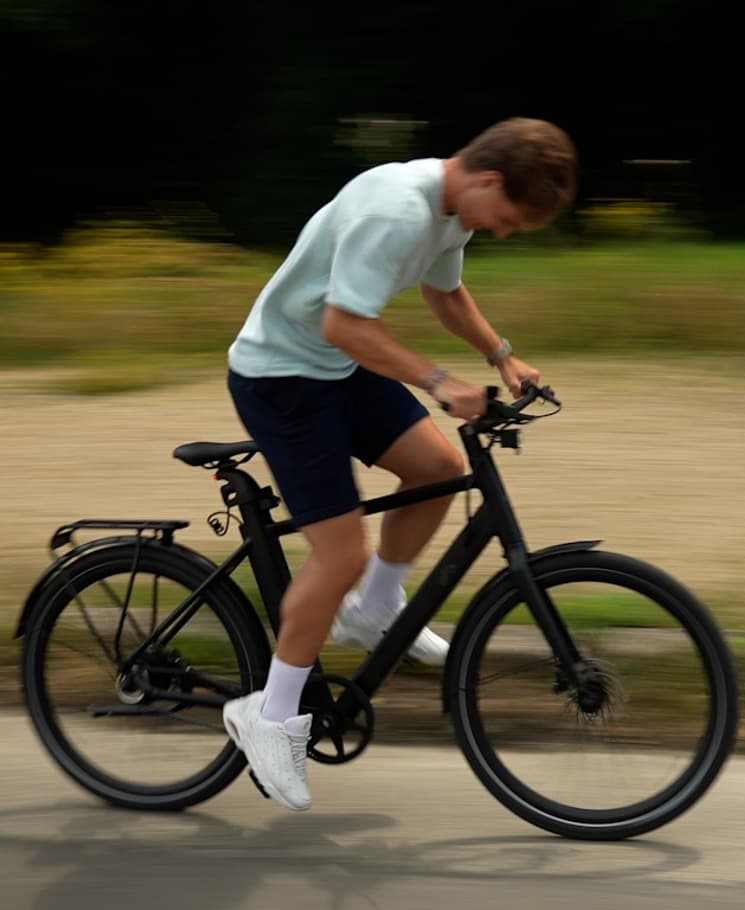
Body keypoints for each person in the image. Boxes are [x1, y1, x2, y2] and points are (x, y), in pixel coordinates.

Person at [221, 117, 578, 811]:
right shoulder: (395, 208)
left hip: (332, 367)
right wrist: (440, 382)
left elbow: (443, 294)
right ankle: (266, 716)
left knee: (440, 469)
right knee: (339, 553)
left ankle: (375, 611)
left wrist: (500, 355)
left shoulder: (449, 211)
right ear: (488, 179)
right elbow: (344, 325)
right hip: (282, 377)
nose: (502, 233)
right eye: (505, 220)